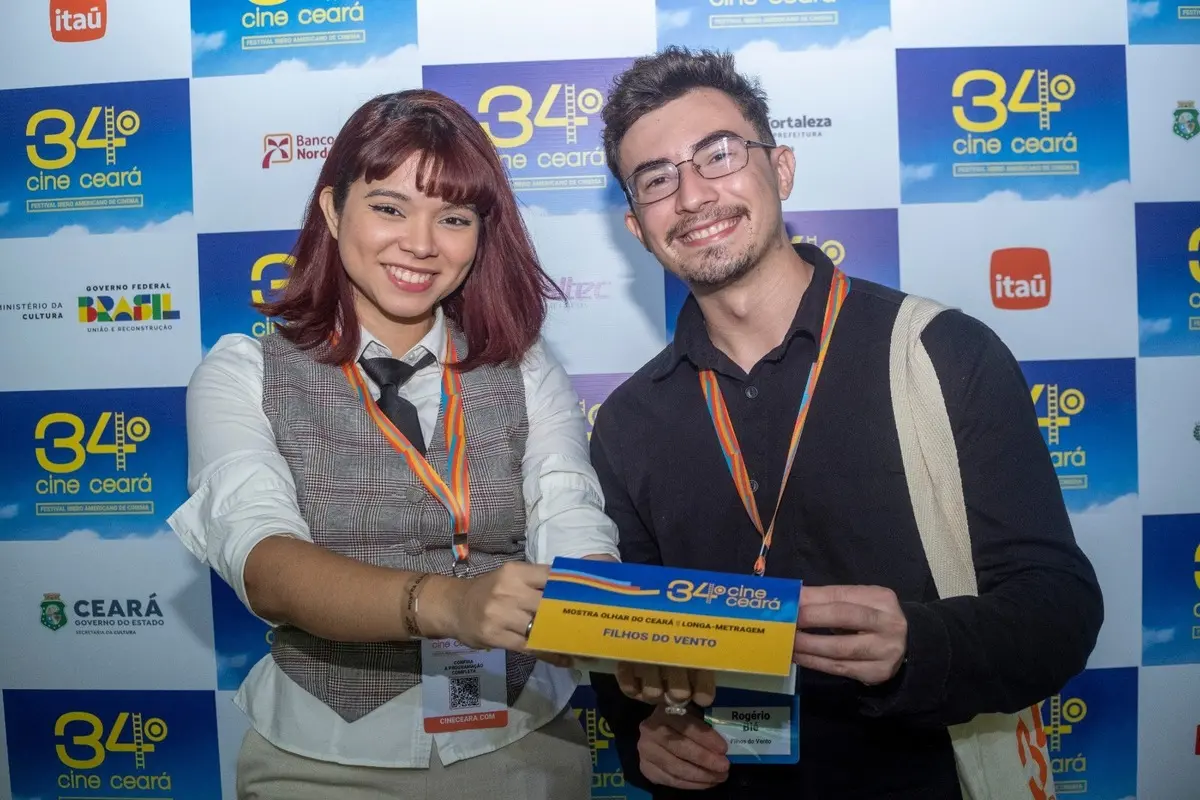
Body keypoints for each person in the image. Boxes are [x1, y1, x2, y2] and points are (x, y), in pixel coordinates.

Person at [586, 47, 1104, 798]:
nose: (693, 195)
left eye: (718, 154)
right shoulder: (627, 422)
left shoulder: (941, 353)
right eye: (657, 178)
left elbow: (1060, 609)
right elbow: (627, 651)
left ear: (782, 168)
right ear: (638, 227)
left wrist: (919, 644)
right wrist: (649, 738)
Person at [167, 89, 622, 800]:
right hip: (320, 761)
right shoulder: (243, 371)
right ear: (332, 210)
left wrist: (622, 629)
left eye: (454, 218)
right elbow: (263, 563)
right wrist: (449, 604)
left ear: (481, 235)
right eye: (389, 207)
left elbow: (569, 517)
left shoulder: (525, 367)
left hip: (522, 746)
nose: (420, 243)